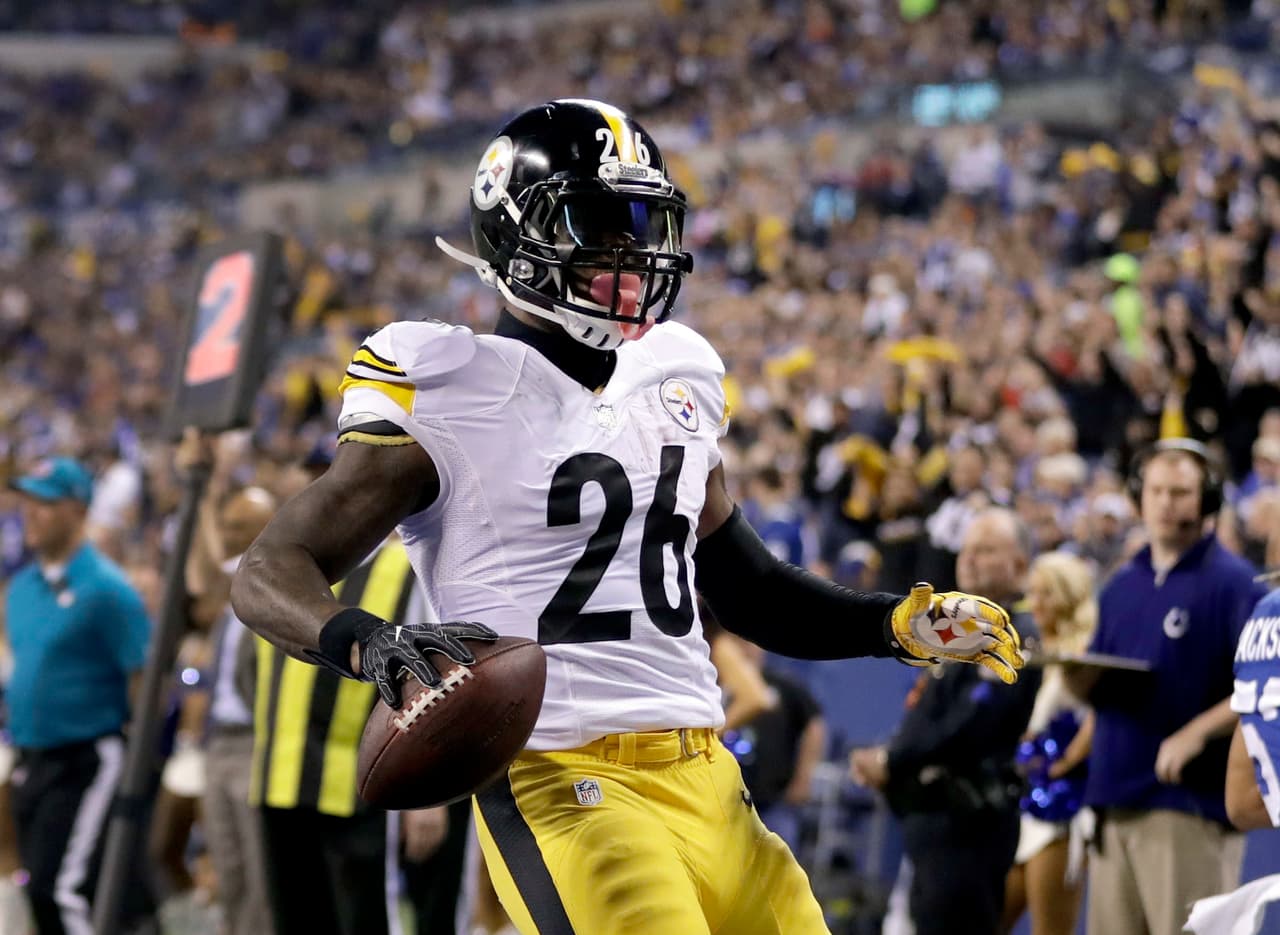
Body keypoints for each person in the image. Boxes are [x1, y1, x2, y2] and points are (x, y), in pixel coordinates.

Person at [231, 99, 1023, 935]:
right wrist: (367, 640)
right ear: (511, 231)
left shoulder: (675, 370)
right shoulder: (444, 383)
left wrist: (894, 624)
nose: (629, 254)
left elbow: (746, 585)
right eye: (596, 225)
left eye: (641, 226)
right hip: (563, 775)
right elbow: (269, 566)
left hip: (708, 772)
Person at [1070, 438, 1267, 935]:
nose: (1165, 502)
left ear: (1208, 500)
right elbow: (1101, 681)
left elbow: (1267, 681)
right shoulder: (1120, 584)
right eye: (1156, 490)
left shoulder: (1235, 583)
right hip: (1114, 799)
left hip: (1186, 806)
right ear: (1138, 495)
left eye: (1179, 492)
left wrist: (1197, 730)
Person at [850, 508, 1041, 935]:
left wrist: (893, 760)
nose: (970, 558)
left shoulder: (1014, 636)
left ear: (1020, 565)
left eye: (987, 550)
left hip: (969, 822)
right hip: (934, 822)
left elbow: (970, 724)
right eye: (967, 549)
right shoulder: (962, 631)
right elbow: (927, 717)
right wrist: (889, 754)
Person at [4, 457, 152, 935]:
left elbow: (143, 676)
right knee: (39, 888)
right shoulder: (21, 588)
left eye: (44, 503)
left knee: (62, 889)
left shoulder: (108, 589)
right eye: (27, 501)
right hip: (33, 756)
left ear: (76, 510)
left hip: (88, 756)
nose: (30, 512)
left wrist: (139, 759)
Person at [1004, 552, 1097, 935]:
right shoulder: (1034, 651)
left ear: (1068, 596)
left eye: (1047, 594)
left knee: (1050, 929)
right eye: (1033, 593)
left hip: (1061, 808)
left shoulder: (1084, 652)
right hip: (1025, 802)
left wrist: (1068, 761)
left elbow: (1101, 713)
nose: (1035, 603)